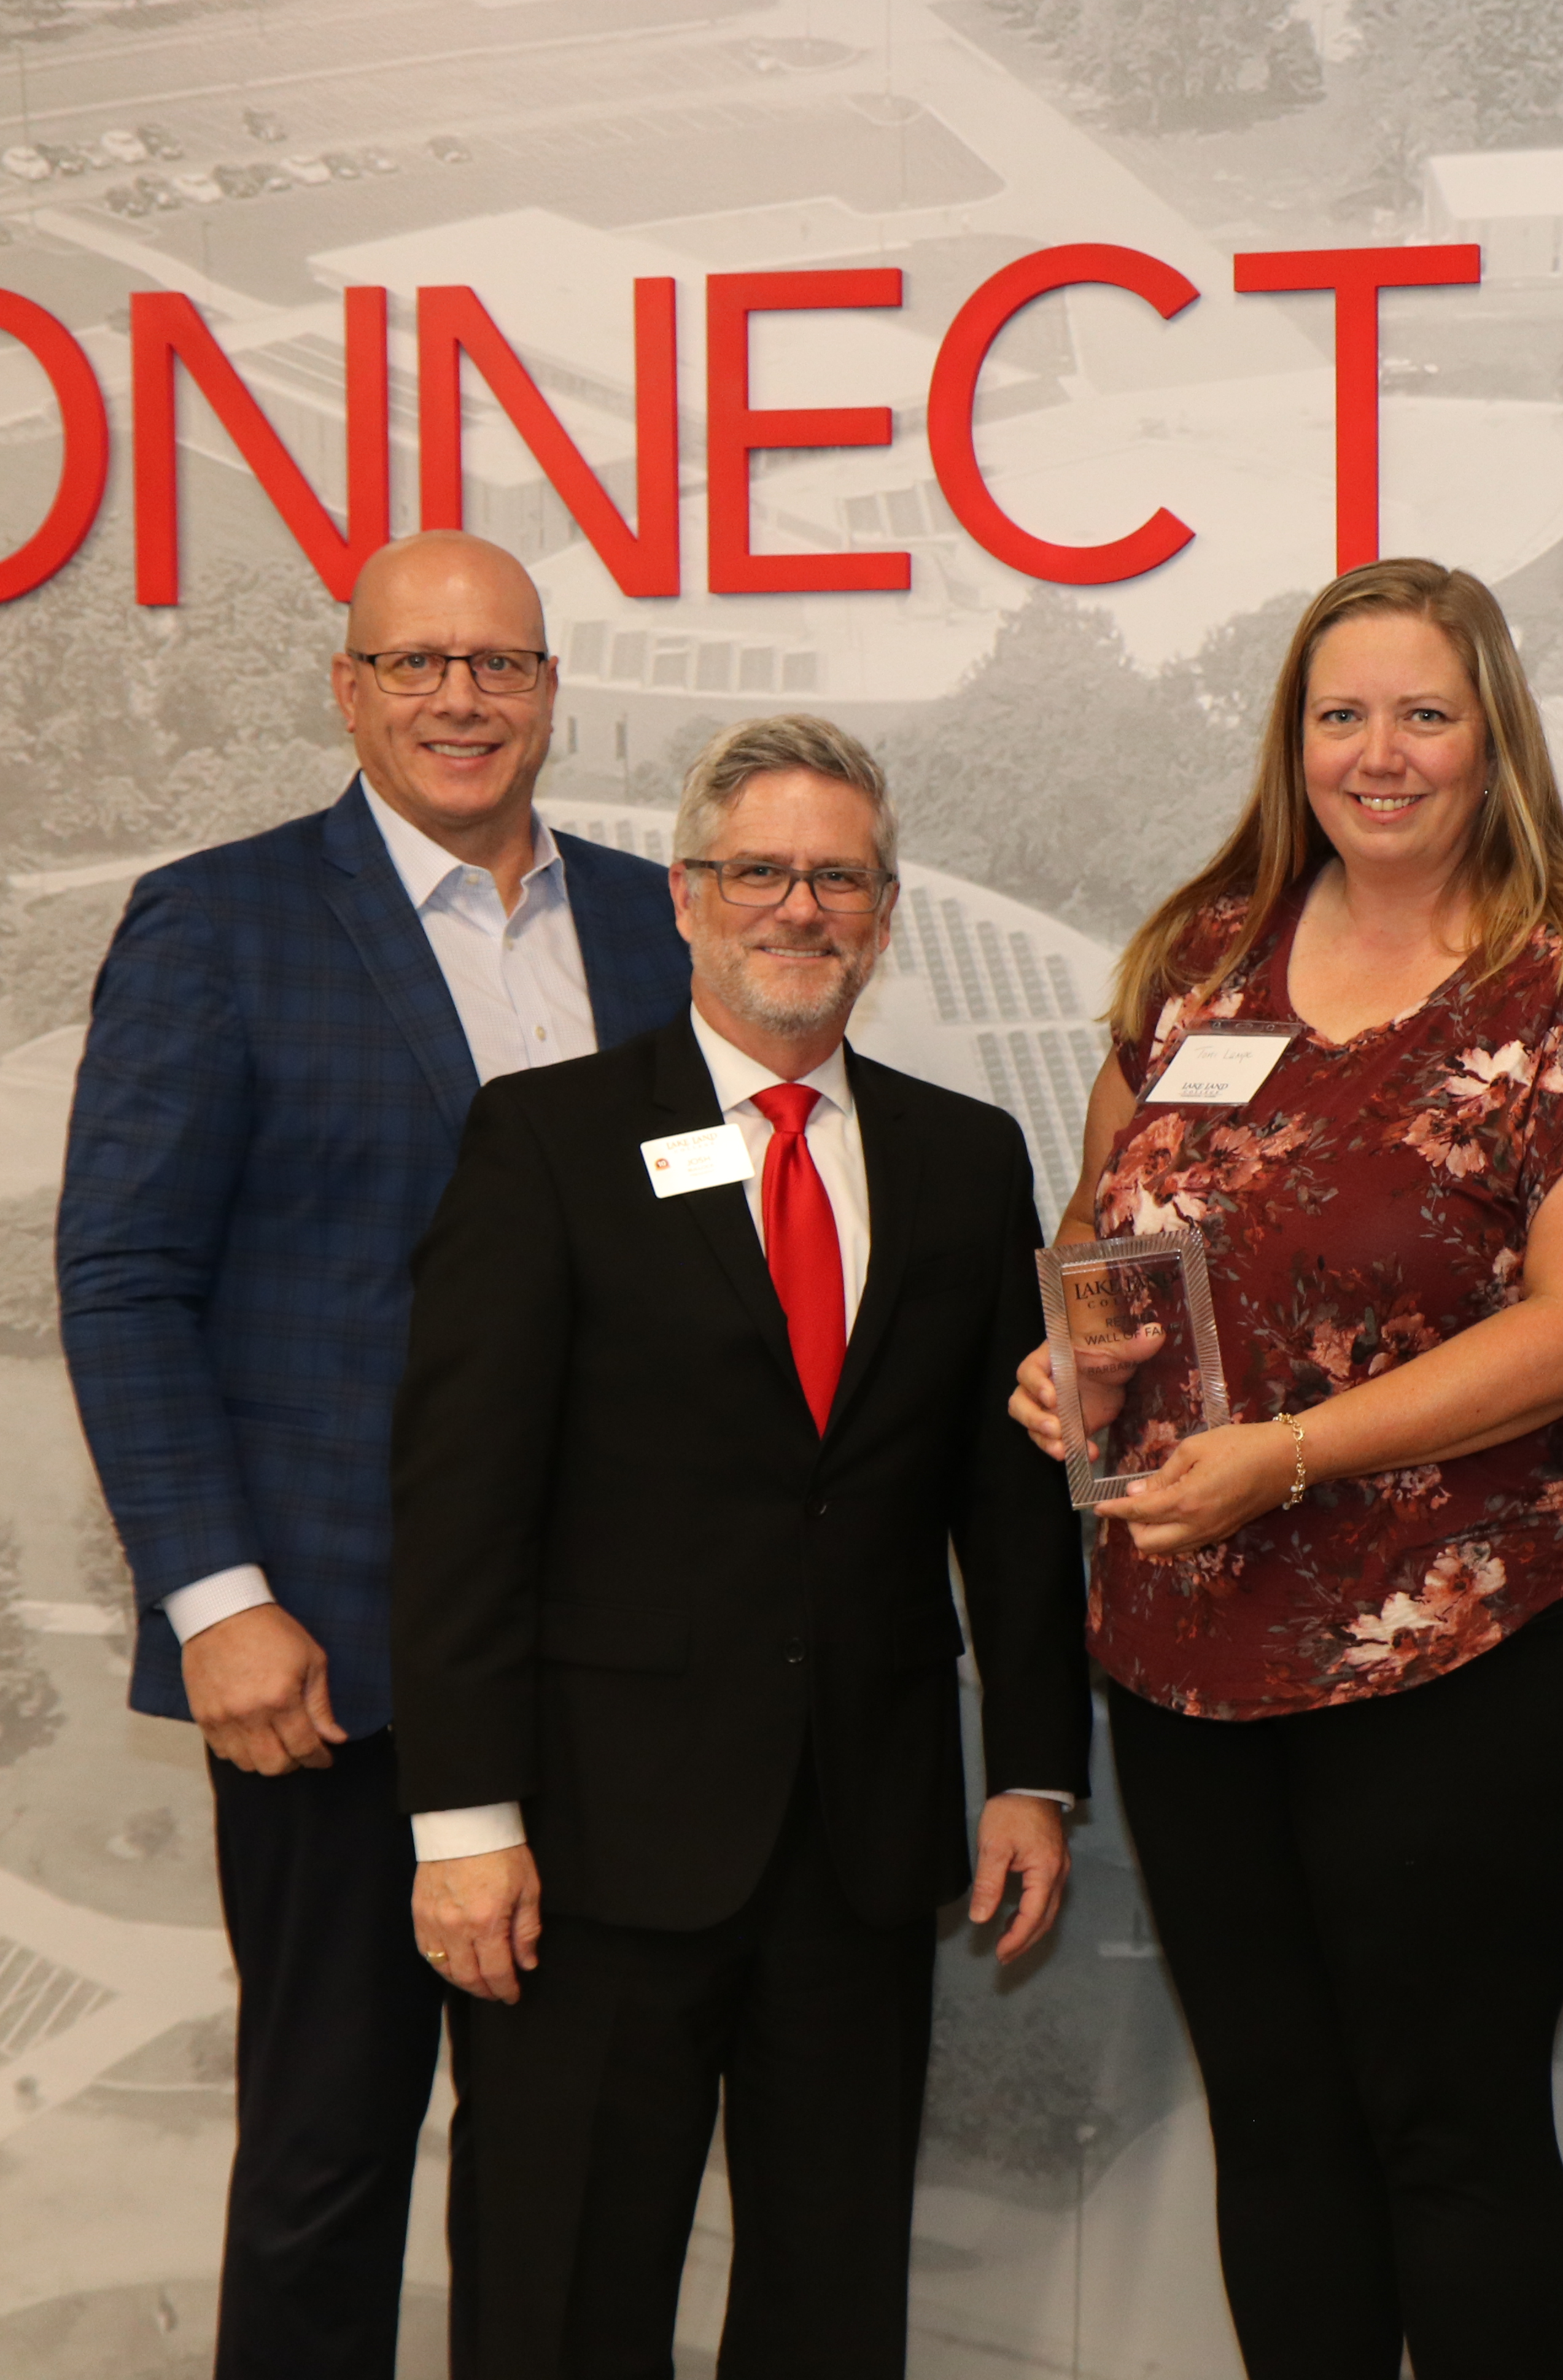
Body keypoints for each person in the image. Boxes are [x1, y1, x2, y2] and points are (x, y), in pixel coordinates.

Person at [1003, 558, 1563, 2379]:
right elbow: (1108, 1230)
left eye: (1422, 713)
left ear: (1493, 738)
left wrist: (1292, 1454)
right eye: (1340, 715)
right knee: (1282, 2122)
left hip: (1483, 1637)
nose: (1376, 754)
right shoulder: (1196, 954)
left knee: (1446, 2126)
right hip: (1191, 1633)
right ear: (1291, 740)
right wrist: (1073, 1359)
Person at [54, 531, 691, 2380]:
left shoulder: (663, 926)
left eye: (498, 665)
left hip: (603, 1668)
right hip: (330, 1668)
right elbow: (125, 1276)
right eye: (418, 665)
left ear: (553, 692)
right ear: (348, 690)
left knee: (562, 2176)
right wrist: (218, 1601)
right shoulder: (220, 919)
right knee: (330, 2159)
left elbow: (713, 1249)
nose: (460, 700)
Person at [389, 715, 1090, 2379]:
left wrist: (1035, 1772)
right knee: (562, 2297)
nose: (801, 907)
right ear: (688, 900)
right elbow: (461, 1499)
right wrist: (464, 1818)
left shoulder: (964, 1158)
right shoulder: (544, 1142)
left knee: (831, 2304)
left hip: (860, 1842)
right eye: (761, 871)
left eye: (837, 877)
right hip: (591, 1848)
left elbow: (1005, 1497)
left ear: (887, 910)